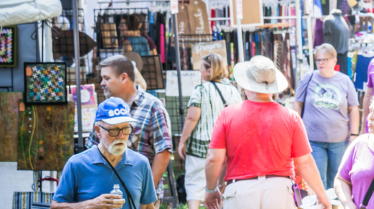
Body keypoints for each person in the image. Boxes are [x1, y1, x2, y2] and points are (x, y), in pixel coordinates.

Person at [204, 56, 331, 209]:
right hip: (280, 190)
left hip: (240, 191)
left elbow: (214, 159)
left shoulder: (227, 115)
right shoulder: (291, 117)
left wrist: (211, 190)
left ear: (246, 85)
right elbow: (304, 162)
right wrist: (321, 195)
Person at [86, 55, 172, 207]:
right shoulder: (105, 107)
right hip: (106, 195)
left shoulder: (153, 106)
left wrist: (146, 193)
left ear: (124, 78)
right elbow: (92, 148)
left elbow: (163, 151)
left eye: (106, 78)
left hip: (139, 196)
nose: (102, 83)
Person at [51, 98, 157, 209]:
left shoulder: (141, 163)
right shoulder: (76, 164)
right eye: (113, 130)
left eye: (125, 128)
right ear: (98, 131)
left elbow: (147, 206)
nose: (120, 136)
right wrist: (91, 204)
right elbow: (55, 207)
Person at [178, 54, 243, 209]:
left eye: (201, 68)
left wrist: (182, 141)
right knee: (221, 183)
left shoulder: (200, 90)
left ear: (209, 70)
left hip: (200, 145)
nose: (200, 72)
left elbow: (192, 118)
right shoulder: (233, 91)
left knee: (194, 181)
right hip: (225, 146)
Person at [293, 44, 360, 190]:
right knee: (318, 181)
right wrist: (297, 131)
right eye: (318, 60)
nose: (321, 63)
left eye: (325, 59)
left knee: (337, 180)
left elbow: (353, 108)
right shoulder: (308, 78)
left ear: (334, 60)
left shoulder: (345, 80)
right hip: (313, 140)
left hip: (339, 140)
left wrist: (354, 135)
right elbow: (297, 104)